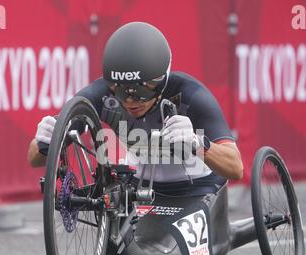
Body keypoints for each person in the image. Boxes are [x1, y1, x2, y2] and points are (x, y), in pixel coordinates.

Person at [27, 21, 243, 201]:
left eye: (142, 90)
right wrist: (45, 142)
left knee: (175, 252)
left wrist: (197, 143)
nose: (130, 100)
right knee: (118, 251)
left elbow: (235, 168)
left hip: (198, 187)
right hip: (139, 188)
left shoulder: (191, 94)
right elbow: (35, 158)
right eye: (120, 91)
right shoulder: (99, 94)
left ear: (162, 80)